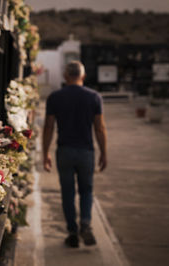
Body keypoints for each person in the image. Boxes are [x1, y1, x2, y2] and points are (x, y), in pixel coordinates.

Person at [43, 61, 107, 248]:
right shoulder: (94, 97)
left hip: (64, 151)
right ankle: (85, 223)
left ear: (65, 76)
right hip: (86, 152)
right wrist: (104, 153)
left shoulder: (55, 97)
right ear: (83, 76)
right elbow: (100, 128)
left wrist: (45, 153)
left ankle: (72, 232)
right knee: (86, 190)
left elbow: (49, 127)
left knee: (67, 192)